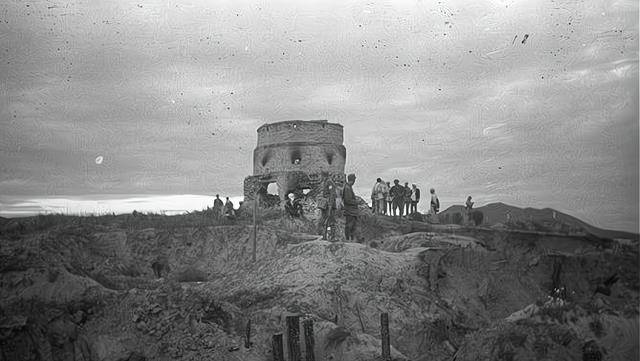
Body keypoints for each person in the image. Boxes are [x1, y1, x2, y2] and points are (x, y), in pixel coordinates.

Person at [317, 175, 337, 240]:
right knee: (325, 220)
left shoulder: (329, 182)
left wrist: (330, 205)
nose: (320, 177)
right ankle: (324, 236)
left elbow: (332, 194)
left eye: (321, 175)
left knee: (331, 221)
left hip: (329, 205)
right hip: (325, 205)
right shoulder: (325, 182)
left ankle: (332, 237)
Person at [342, 173, 359, 241]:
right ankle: (348, 239)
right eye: (354, 179)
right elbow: (347, 200)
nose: (355, 181)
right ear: (353, 180)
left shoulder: (348, 187)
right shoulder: (347, 188)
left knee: (352, 226)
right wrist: (356, 202)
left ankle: (351, 239)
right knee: (349, 225)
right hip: (350, 211)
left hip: (352, 211)